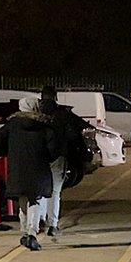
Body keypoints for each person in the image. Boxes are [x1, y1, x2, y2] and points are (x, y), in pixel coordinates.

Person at [0, 97, 59, 251]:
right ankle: (32, 233)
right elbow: (53, 150)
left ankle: (24, 232)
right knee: (35, 199)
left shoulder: (11, 125)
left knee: (22, 200)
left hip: (18, 168)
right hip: (38, 168)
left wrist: (1, 152)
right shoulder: (44, 126)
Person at [38, 86, 91, 240]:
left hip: (39, 157)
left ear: (41, 97)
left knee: (39, 190)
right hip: (58, 156)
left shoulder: (36, 113)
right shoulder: (63, 114)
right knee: (55, 192)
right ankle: (52, 225)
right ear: (56, 97)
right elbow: (79, 130)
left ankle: (39, 220)